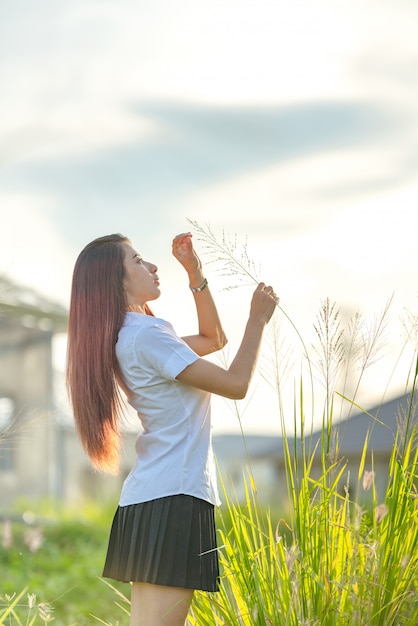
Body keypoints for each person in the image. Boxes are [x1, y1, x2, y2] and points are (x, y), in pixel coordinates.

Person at [66, 231, 279, 626]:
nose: (151, 266)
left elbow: (212, 339)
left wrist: (195, 273)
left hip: (149, 500)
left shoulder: (131, 337)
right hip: (175, 496)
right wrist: (257, 319)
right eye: (137, 260)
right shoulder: (147, 335)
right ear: (117, 280)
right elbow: (236, 384)